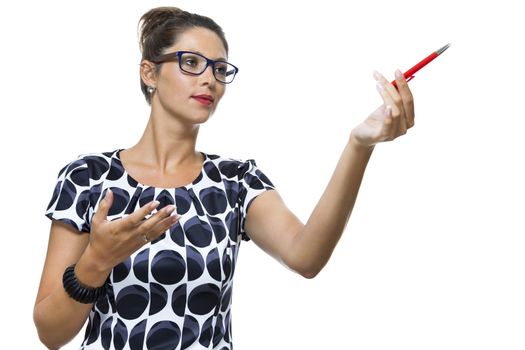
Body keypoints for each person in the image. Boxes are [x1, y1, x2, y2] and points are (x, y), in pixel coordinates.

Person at [33, 6, 415, 350]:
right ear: (149, 72)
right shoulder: (88, 178)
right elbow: (50, 334)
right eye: (190, 63)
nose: (210, 80)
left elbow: (306, 257)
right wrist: (96, 261)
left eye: (219, 68)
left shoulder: (235, 182)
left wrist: (359, 145)